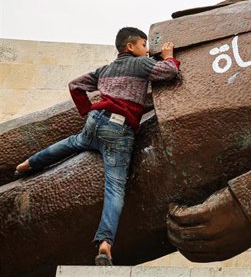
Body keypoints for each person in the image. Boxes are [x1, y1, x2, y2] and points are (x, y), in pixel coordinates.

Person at [13, 27, 180, 266]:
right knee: (115, 187)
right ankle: (105, 243)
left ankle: (27, 164)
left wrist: (87, 110)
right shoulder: (140, 65)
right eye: (144, 45)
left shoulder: (105, 70)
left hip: (95, 122)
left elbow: (75, 85)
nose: (147, 49)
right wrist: (168, 56)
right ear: (130, 47)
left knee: (73, 142)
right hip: (117, 131)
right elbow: (170, 72)